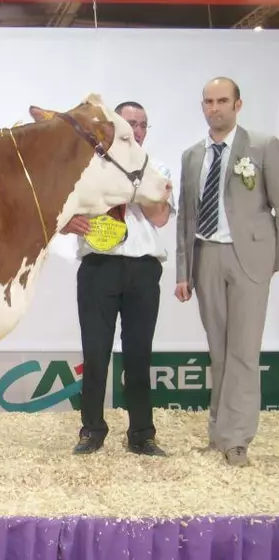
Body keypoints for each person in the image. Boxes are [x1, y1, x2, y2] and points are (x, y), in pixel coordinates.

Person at [175, 77, 279, 467]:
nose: (214, 107)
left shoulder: (263, 146)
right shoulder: (192, 155)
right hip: (206, 257)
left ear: (238, 105)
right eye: (208, 101)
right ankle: (219, 433)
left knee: (244, 352)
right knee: (218, 350)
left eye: (222, 100)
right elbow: (185, 216)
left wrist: (272, 259)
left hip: (249, 258)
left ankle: (238, 439)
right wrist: (183, 272)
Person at [61, 101, 174, 457]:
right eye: (129, 124)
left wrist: (133, 179)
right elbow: (60, 211)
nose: (137, 130)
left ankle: (142, 434)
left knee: (139, 356)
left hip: (143, 269)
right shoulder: (89, 171)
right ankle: (91, 430)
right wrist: (67, 221)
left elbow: (159, 217)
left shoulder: (157, 168)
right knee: (95, 355)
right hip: (98, 267)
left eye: (142, 124)